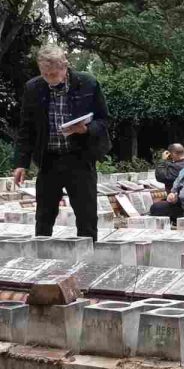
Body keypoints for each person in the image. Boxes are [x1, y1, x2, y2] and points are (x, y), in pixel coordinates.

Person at [12, 45, 110, 241]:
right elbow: (26, 129)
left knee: (86, 215)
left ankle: (89, 261)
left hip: (80, 158)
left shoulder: (87, 83)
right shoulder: (34, 88)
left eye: (53, 74)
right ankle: (42, 256)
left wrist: (86, 129)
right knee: (44, 216)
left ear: (65, 67)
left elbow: (104, 119)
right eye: (45, 74)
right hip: (49, 160)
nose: (49, 79)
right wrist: (21, 163)